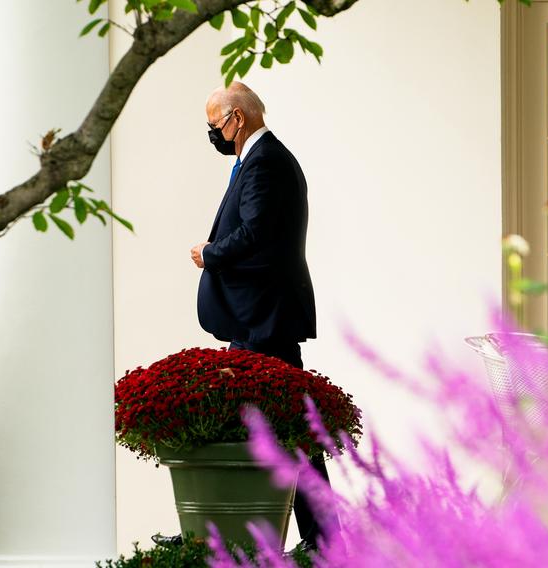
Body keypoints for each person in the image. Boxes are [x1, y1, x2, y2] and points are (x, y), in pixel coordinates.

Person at [190, 81, 333, 549]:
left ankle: (313, 536)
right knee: (287, 426)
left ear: (238, 118)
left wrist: (210, 252)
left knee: (280, 425)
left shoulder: (266, 162)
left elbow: (254, 233)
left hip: (263, 320)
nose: (212, 133)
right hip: (260, 318)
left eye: (215, 124)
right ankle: (323, 536)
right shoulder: (259, 160)